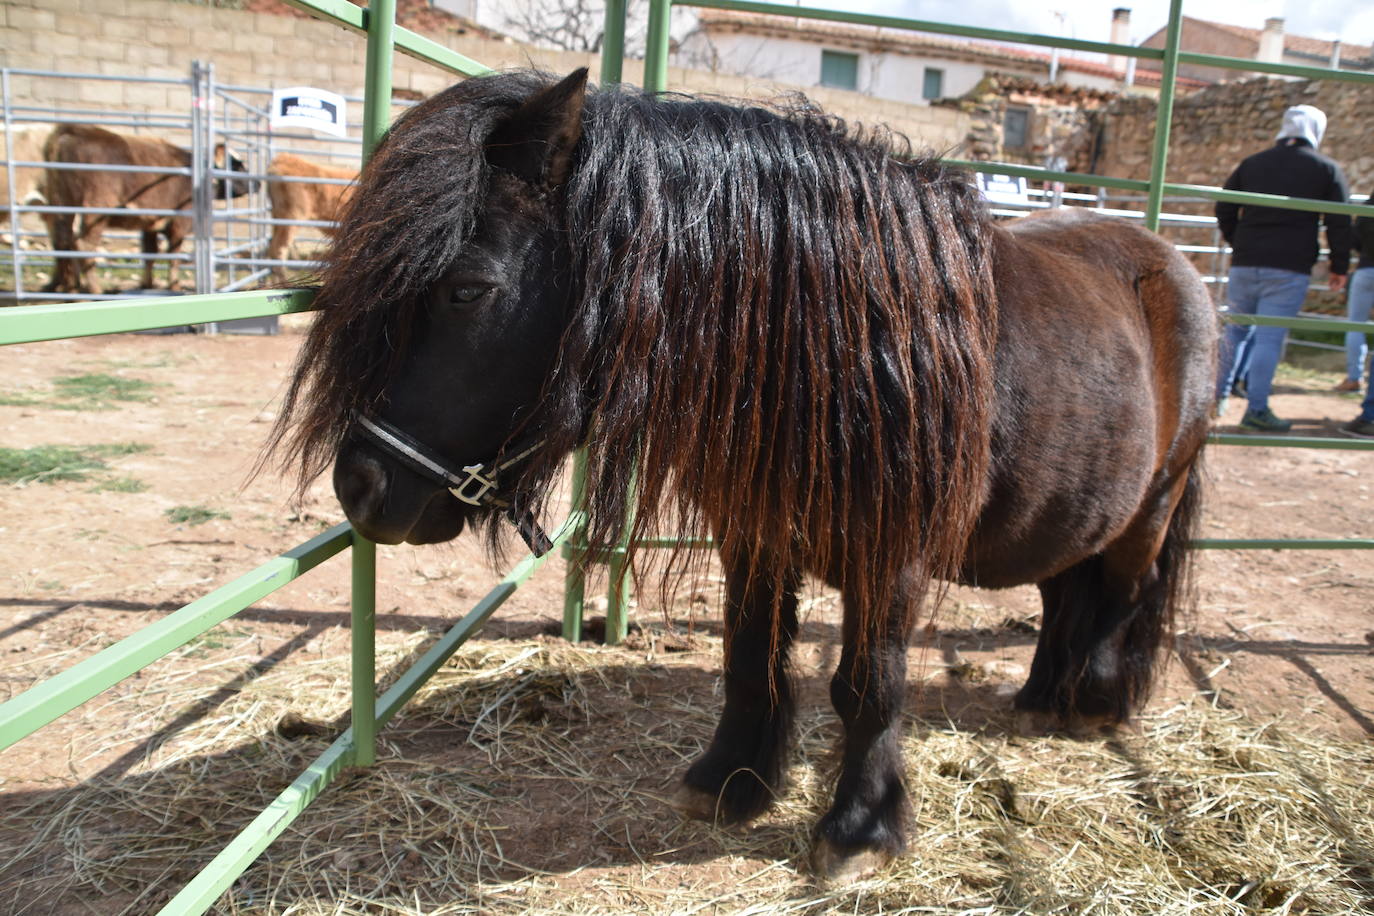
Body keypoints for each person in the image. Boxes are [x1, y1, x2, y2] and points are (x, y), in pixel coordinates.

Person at [1214, 104, 1352, 432]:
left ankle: (1211, 401)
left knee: (1234, 331)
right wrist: (1339, 265)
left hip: (1246, 263)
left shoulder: (1252, 163)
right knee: (1270, 337)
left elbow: (1224, 206)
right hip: (1290, 266)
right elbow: (1339, 221)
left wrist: (1239, 242)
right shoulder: (1326, 169)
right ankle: (1256, 409)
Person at [1335, 190, 1374, 392]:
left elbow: (1356, 235)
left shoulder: (1369, 206)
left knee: (1356, 324)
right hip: (1365, 268)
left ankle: (1354, 378)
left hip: (1366, 268)